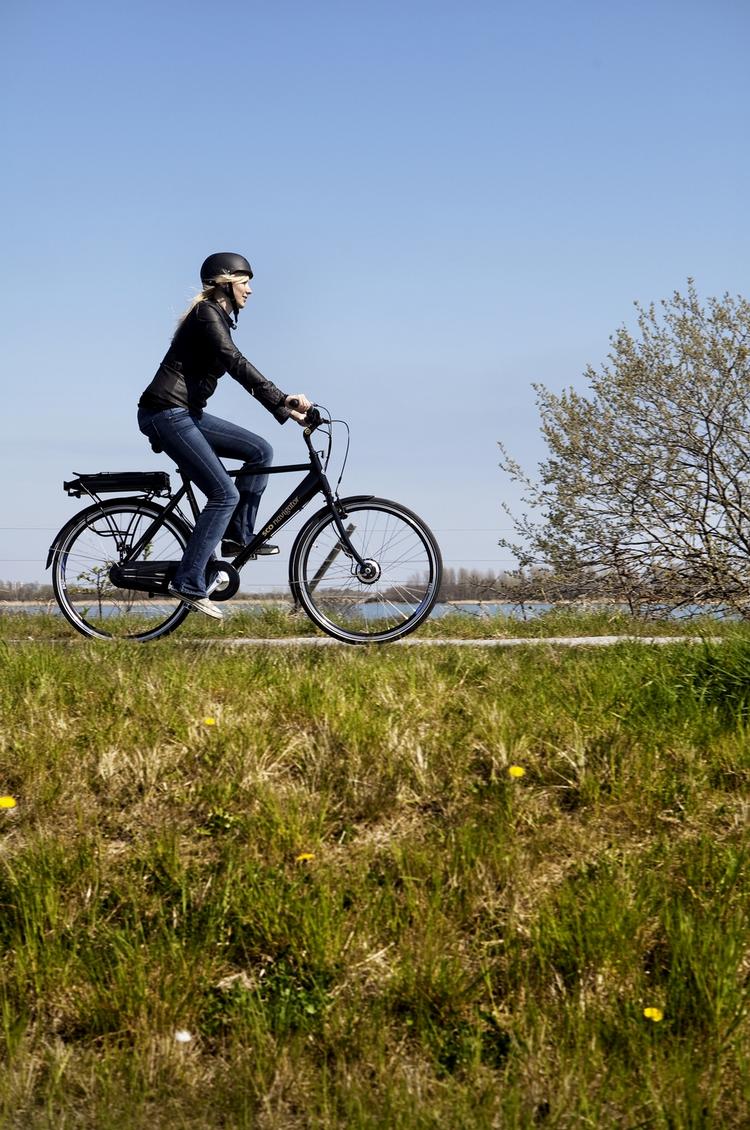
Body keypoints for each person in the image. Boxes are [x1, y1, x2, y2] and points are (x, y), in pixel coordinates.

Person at [137, 252, 312, 619]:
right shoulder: (206, 315)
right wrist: (282, 400)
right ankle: (188, 582)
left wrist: (285, 408)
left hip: (187, 414)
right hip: (166, 413)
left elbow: (232, 361)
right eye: (244, 281)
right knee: (223, 493)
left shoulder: (217, 318)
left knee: (260, 450)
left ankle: (237, 537)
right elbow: (234, 362)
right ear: (225, 283)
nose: (249, 290)